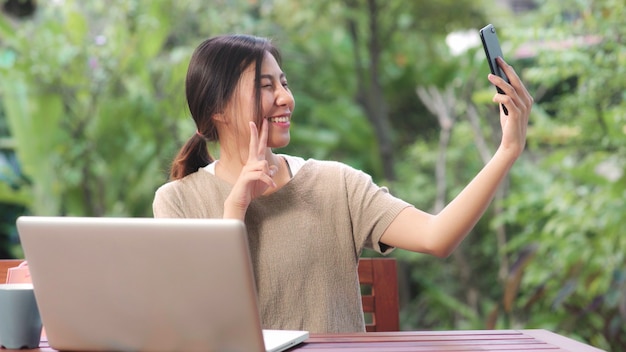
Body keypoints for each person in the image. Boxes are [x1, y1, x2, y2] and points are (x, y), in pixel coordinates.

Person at [152, 34, 533, 333]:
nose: (286, 98)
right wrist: (235, 208)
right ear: (217, 109)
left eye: (283, 83)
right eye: (266, 86)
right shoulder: (178, 202)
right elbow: (196, 322)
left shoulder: (335, 183)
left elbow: (437, 237)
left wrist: (507, 150)